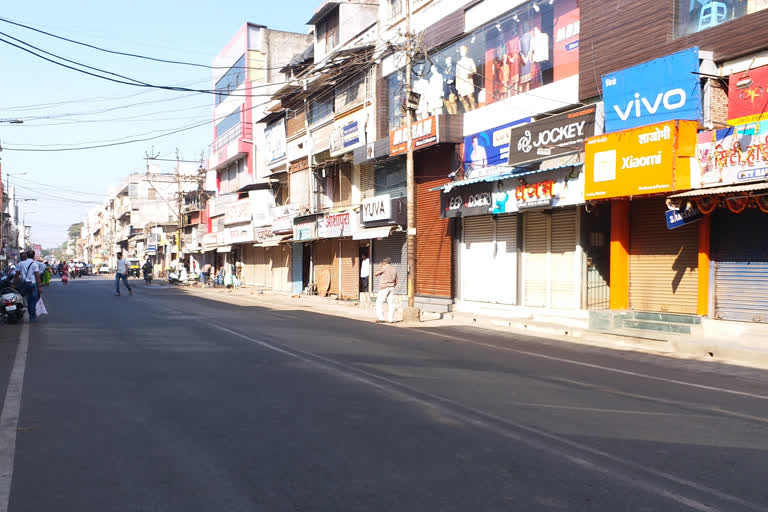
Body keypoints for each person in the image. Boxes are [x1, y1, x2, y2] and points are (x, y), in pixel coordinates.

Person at [13, 250, 42, 322]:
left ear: (27, 255)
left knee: (29, 300)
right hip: (33, 284)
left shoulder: (20, 264)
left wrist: (13, 284)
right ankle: (32, 316)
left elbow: (16, 276)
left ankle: (31, 315)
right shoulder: (34, 264)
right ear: (34, 256)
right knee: (33, 300)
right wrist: (39, 287)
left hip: (25, 284)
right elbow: (37, 276)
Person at [374, 257, 398, 323]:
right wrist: (392, 285)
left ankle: (381, 318)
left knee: (379, 302)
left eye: (383, 262)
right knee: (391, 303)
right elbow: (396, 281)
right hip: (392, 288)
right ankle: (391, 319)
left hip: (384, 288)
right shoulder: (394, 269)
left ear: (385, 262)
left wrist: (380, 267)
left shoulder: (384, 268)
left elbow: (375, 274)